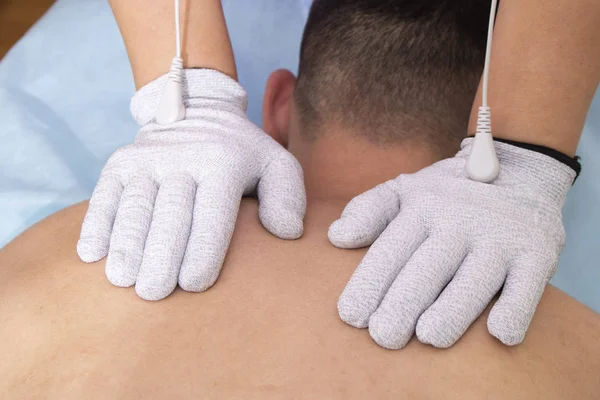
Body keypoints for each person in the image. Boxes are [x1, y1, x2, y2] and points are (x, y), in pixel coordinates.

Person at [1, 0, 599, 397]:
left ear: (279, 104)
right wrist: (523, 156)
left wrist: (185, 93)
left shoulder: (65, 262)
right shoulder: (576, 357)